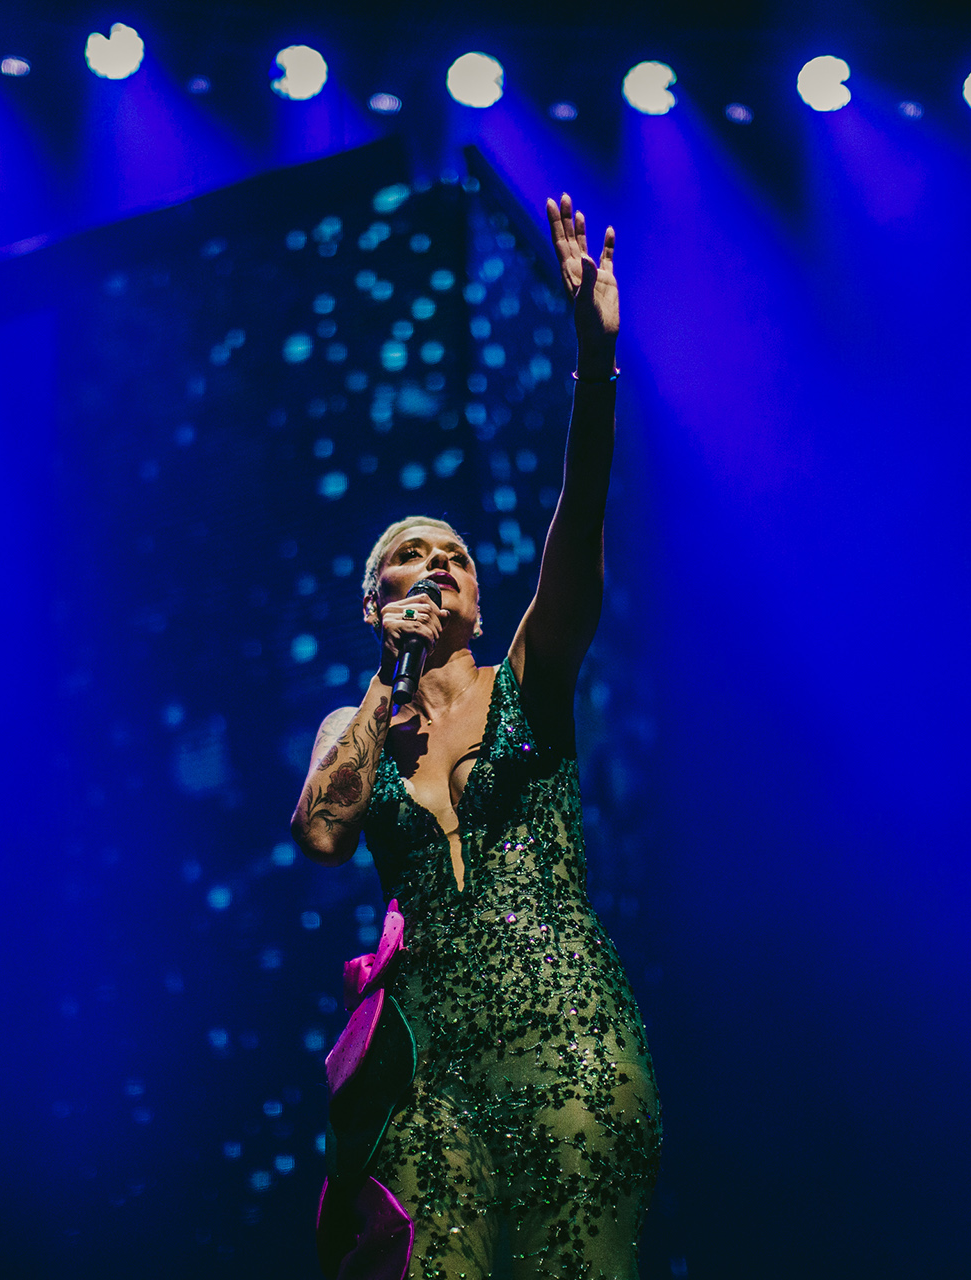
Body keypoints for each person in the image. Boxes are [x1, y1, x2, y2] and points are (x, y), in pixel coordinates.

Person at [291, 193, 658, 1280]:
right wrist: (386, 678)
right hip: (425, 1061)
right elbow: (322, 836)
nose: (437, 564)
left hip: (566, 1030)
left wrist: (595, 363)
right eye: (410, 557)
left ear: (482, 602)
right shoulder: (356, 721)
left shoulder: (528, 681)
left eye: (454, 555)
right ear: (377, 602)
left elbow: (578, 525)